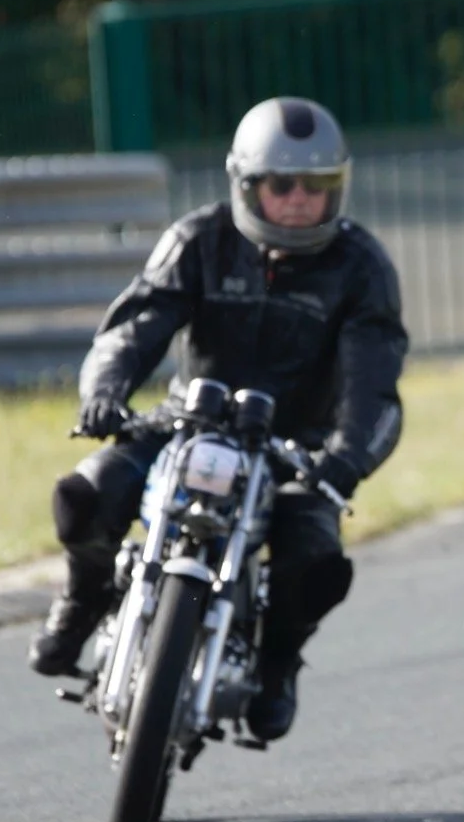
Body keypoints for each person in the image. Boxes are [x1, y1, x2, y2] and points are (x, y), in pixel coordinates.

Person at [28, 97, 408, 744]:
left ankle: (278, 663)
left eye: (315, 185)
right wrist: (105, 393)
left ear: (337, 187)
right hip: (186, 424)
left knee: (316, 562)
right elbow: (134, 328)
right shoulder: (199, 239)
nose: (298, 200)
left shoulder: (361, 267)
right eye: (281, 184)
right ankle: (83, 599)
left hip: (294, 451)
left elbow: (374, 384)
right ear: (246, 184)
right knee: (83, 497)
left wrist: (344, 459)